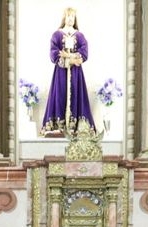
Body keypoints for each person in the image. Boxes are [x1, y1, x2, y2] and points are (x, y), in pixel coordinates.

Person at [40, 7, 94, 135]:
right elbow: (54, 54)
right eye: (68, 16)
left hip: (76, 73)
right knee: (60, 95)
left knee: (76, 94)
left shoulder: (79, 36)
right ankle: (59, 127)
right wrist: (71, 60)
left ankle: (75, 127)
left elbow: (84, 53)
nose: (70, 19)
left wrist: (68, 56)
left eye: (73, 16)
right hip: (61, 73)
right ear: (64, 17)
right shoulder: (57, 35)